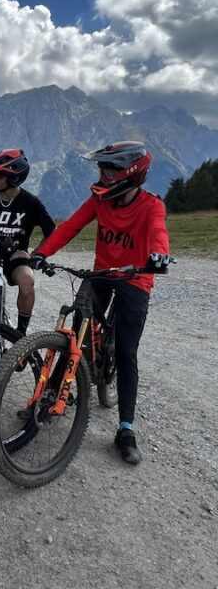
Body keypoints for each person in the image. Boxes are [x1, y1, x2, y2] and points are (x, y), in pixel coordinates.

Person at [32, 141, 171, 466]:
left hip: (135, 279)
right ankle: (53, 389)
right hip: (103, 273)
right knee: (78, 319)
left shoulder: (152, 206)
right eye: (102, 169)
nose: (103, 175)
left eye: (110, 170)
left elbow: (158, 233)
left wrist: (158, 255)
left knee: (125, 351)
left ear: (131, 174)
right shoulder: (99, 200)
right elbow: (71, 225)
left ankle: (125, 428)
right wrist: (42, 253)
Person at [0, 148, 55, 374]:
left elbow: (51, 233)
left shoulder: (31, 203)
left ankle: (20, 335)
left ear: (14, 177)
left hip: (15, 259)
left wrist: (34, 255)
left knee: (27, 281)